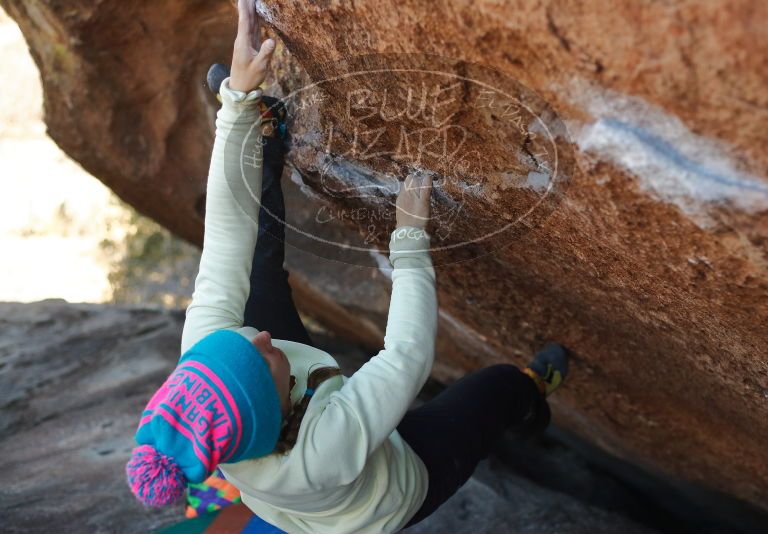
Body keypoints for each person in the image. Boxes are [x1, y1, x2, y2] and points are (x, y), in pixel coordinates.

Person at [125, 1, 569, 532]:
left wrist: (238, 102)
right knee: (493, 392)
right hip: (396, 488)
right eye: (260, 355)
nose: (262, 337)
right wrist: (408, 238)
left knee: (255, 277)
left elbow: (225, 236)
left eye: (241, 339)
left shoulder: (210, 355)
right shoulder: (321, 452)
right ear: (272, 406)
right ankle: (532, 390)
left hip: (291, 405)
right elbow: (404, 357)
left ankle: (264, 133)